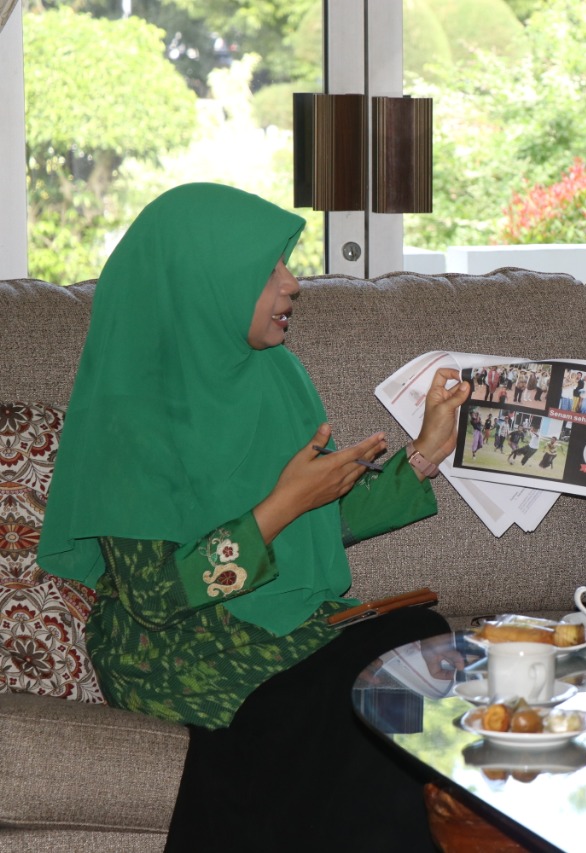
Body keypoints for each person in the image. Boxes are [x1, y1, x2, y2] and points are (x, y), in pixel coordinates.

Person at [36, 183, 471, 852]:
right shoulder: (129, 414)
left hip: (281, 620)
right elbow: (155, 596)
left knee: (420, 642)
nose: (292, 283)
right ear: (204, 283)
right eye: (268, 270)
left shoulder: (276, 375)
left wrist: (423, 455)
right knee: (373, 692)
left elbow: (317, 524)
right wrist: (282, 504)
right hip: (175, 645)